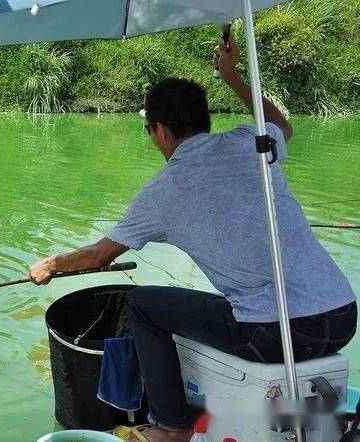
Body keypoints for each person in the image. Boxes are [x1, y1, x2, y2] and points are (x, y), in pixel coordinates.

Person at [28, 34, 357, 442]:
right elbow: (282, 125)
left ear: (162, 131)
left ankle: (171, 428)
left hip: (274, 335)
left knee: (143, 304)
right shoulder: (248, 144)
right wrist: (232, 76)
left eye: (149, 131)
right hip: (341, 316)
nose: (152, 140)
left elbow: (98, 256)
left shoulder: (162, 192)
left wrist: (52, 264)